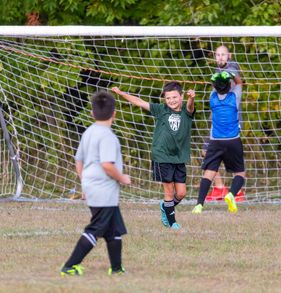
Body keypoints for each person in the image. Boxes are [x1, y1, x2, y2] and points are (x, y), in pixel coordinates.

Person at [60, 91, 131, 276]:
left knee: (113, 229)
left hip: (93, 186)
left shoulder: (89, 132)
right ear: (114, 113)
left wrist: (84, 183)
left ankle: (116, 269)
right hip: (103, 189)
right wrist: (122, 178)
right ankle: (69, 266)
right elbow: (107, 165)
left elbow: (79, 160)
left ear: (92, 113)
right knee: (96, 229)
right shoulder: (108, 136)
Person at [112, 82, 195, 229]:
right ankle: (172, 222)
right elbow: (139, 102)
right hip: (161, 155)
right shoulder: (161, 109)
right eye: (168, 98)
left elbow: (190, 106)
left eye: (174, 97)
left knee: (181, 193)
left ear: (181, 97)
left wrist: (191, 98)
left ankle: (166, 207)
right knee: (169, 191)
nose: (171, 101)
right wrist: (121, 93)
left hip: (179, 157)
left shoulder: (186, 112)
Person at [192, 71, 246, 214]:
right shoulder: (234, 96)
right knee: (240, 173)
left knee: (209, 173)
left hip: (215, 141)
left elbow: (215, 86)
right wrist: (231, 74)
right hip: (233, 140)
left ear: (214, 87)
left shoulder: (212, 97)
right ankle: (231, 194)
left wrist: (218, 78)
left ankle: (199, 205)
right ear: (230, 85)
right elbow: (240, 82)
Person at [205, 45, 245, 202]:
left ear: (229, 55)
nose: (220, 57)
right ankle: (220, 188)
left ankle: (237, 191)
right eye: (217, 55)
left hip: (230, 122)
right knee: (207, 152)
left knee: (234, 156)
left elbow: (236, 82)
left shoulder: (232, 68)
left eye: (223, 54)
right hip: (217, 122)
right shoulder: (217, 71)